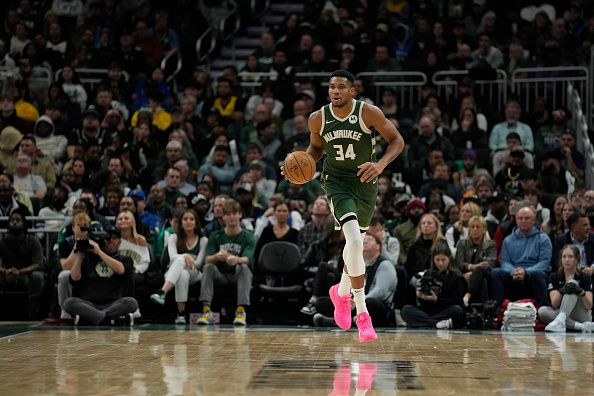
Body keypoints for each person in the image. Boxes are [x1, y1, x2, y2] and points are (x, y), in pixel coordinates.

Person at [291, 70, 404, 342]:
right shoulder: (318, 118)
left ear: (352, 91)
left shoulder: (368, 113)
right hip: (337, 182)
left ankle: (340, 293)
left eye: (341, 87)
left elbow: (397, 141)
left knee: (354, 245)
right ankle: (362, 315)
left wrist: (380, 165)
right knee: (354, 241)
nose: (335, 91)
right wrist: (302, 165)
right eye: (331, 87)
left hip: (366, 182)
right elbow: (315, 150)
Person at [313, 232, 397, 328]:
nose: (365, 241)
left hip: (375, 304)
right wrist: (347, 300)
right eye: (363, 239)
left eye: (369, 239)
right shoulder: (356, 263)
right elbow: (346, 285)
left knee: (371, 303)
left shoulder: (385, 264)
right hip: (354, 302)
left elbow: (381, 291)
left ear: (378, 246)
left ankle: (337, 322)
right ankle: (348, 321)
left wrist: (358, 301)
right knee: (321, 302)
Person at [62, 225, 138, 325]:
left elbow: (121, 270)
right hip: (89, 304)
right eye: (107, 238)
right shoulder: (88, 258)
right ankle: (107, 319)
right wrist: (80, 257)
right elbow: (74, 279)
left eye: (114, 238)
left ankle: (91, 318)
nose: (110, 241)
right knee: (68, 303)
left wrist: (100, 253)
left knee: (131, 303)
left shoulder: (125, 259)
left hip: (113, 303)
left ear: (120, 242)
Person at [197, 199, 255, 326]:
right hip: (220, 276)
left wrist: (236, 259)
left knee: (244, 268)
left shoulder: (249, 236)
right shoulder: (215, 236)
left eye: (234, 213)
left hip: (237, 274)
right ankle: (206, 310)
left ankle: (240, 311)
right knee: (208, 267)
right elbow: (207, 259)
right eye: (228, 214)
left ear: (240, 214)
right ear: (223, 217)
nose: (232, 217)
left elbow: (247, 259)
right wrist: (217, 256)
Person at [150, 209, 207, 325]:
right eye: (185, 219)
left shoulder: (203, 240)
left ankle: (162, 293)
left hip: (194, 273)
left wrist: (186, 259)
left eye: (192, 219)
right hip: (174, 272)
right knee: (182, 274)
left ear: (196, 223)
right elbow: (172, 257)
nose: (188, 222)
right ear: (181, 223)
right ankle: (181, 314)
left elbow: (199, 263)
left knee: (181, 262)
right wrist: (186, 255)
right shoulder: (173, 238)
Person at [490, 206, 552, 306]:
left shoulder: (543, 239)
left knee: (538, 274)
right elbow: (504, 261)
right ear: (516, 220)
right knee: (495, 273)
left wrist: (526, 272)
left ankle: (542, 310)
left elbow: (544, 262)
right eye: (520, 218)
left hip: (533, 273)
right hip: (513, 273)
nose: (523, 221)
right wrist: (513, 271)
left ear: (533, 221)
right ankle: (496, 310)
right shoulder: (508, 240)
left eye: (527, 218)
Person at [401, 240, 466, 329]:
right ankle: (436, 323)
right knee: (406, 310)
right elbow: (423, 302)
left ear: (449, 258)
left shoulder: (456, 277)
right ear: (433, 259)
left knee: (457, 311)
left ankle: (425, 323)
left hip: (446, 310)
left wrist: (437, 299)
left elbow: (457, 301)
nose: (440, 263)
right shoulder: (428, 274)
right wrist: (421, 296)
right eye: (437, 260)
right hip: (430, 311)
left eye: (443, 260)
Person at [538, 245, 594, 332]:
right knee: (542, 311)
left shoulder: (585, 277)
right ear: (561, 259)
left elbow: (589, 305)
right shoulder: (554, 276)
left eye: (570, 257)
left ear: (576, 259)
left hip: (581, 314)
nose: (567, 260)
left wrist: (581, 292)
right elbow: (554, 304)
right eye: (564, 257)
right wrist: (562, 290)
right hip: (563, 313)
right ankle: (581, 327)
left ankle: (561, 320)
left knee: (572, 283)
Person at [0, 211, 45, 319]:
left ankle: (33, 312)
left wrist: (19, 272)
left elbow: (38, 264)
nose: (14, 222)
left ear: (24, 224)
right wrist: (5, 271)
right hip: (7, 274)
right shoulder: (2, 242)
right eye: (12, 220)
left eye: (18, 220)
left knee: (38, 276)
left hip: (27, 274)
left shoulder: (33, 241)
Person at [455, 215, 497, 306]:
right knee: (482, 282)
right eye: (472, 227)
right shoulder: (462, 244)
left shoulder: (490, 244)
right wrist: (473, 267)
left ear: (484, 230)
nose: (475, 229)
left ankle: (467, 296)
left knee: (480, 271)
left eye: (478, 227)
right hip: (466, 275)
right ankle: (481, 310)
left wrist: (472, 269)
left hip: (486, 273)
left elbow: (489, 263)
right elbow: (459, 263)